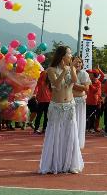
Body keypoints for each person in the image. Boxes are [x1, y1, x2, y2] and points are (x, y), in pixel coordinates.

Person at [39, 46, 84, 174]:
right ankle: (54, 165)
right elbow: (57, 86)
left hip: (70, 105)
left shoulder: (72, 68)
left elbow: (74, 81)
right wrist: (64, 71)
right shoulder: (51, 70)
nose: (71, 55)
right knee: (55, 134)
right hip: (57, 106)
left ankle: (70, 164)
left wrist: (72, 68)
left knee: (70, 134)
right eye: (69, 53)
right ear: (62, 55)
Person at [71, 56, 90, 149]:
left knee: (78, 122)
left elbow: (86, 88)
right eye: (76, 62)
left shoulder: (84, 74)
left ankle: (77, 143)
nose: (78, 64)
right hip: (69, 101)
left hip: (79, 101)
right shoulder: (68, 73)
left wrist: (73, 85)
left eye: (80, 62)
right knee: (70, 122)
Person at [33, 68, 51, 134]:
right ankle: (41, 128)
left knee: (42, 115)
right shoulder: (42, 82)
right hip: (44, 100)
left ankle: (41, 128)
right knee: (43, 115)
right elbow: (41, 75)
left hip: (45, 100)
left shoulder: (47, 83)